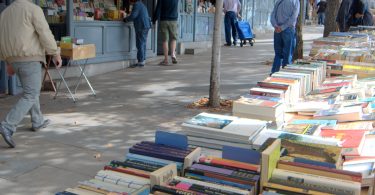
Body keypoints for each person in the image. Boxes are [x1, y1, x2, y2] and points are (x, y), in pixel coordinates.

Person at [0, 0, 62, 148]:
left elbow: (1, 39)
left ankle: (37, 121)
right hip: (30, 58)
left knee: (30, 91)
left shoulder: (4, 13)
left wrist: (7, 61)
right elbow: (44, 33)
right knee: (31, 94)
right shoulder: (33, 9)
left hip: (13, 59)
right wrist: (55, 53)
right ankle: (8, 125)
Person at [270, 0, 300, 75]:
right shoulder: (295, 2)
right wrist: (282, 27)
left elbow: (272, 15)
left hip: (277, 30)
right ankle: (285, 75)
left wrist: (276, 26)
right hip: (288, 30)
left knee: (278, 54)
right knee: (287, 54)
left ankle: (274, 73)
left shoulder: (279, 1)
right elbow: (294, 17)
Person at [123, 0, 152, 68]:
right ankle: (142, 60)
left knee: (140, 44)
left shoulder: (136, 4)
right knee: (143, 43)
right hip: (145, 25)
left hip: (141, 26)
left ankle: (141, 62)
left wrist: (125, 19)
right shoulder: (141, 4)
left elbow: (133, 15)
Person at [153, 0, 179, 66]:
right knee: (173, 38)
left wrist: (154, 20)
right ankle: (173, 54)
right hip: (173, 20)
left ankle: (166, 60)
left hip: (163, 20)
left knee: (165, 40)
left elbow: (158, 9)